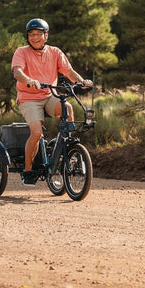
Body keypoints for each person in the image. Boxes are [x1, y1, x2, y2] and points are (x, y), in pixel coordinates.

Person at [11, 17, 92, 185]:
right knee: (37, 133)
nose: (34, 37)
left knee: (67, 108)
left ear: (46, 35)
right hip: (28, 98)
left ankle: (66, 149)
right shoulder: (21, 52)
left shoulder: (55, 52)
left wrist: (82, 81)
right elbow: (17, 72)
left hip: (48, 95)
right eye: (31, 34)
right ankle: (28, 170)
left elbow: (69, 72)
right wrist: (29, 80)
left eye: (38, 34)